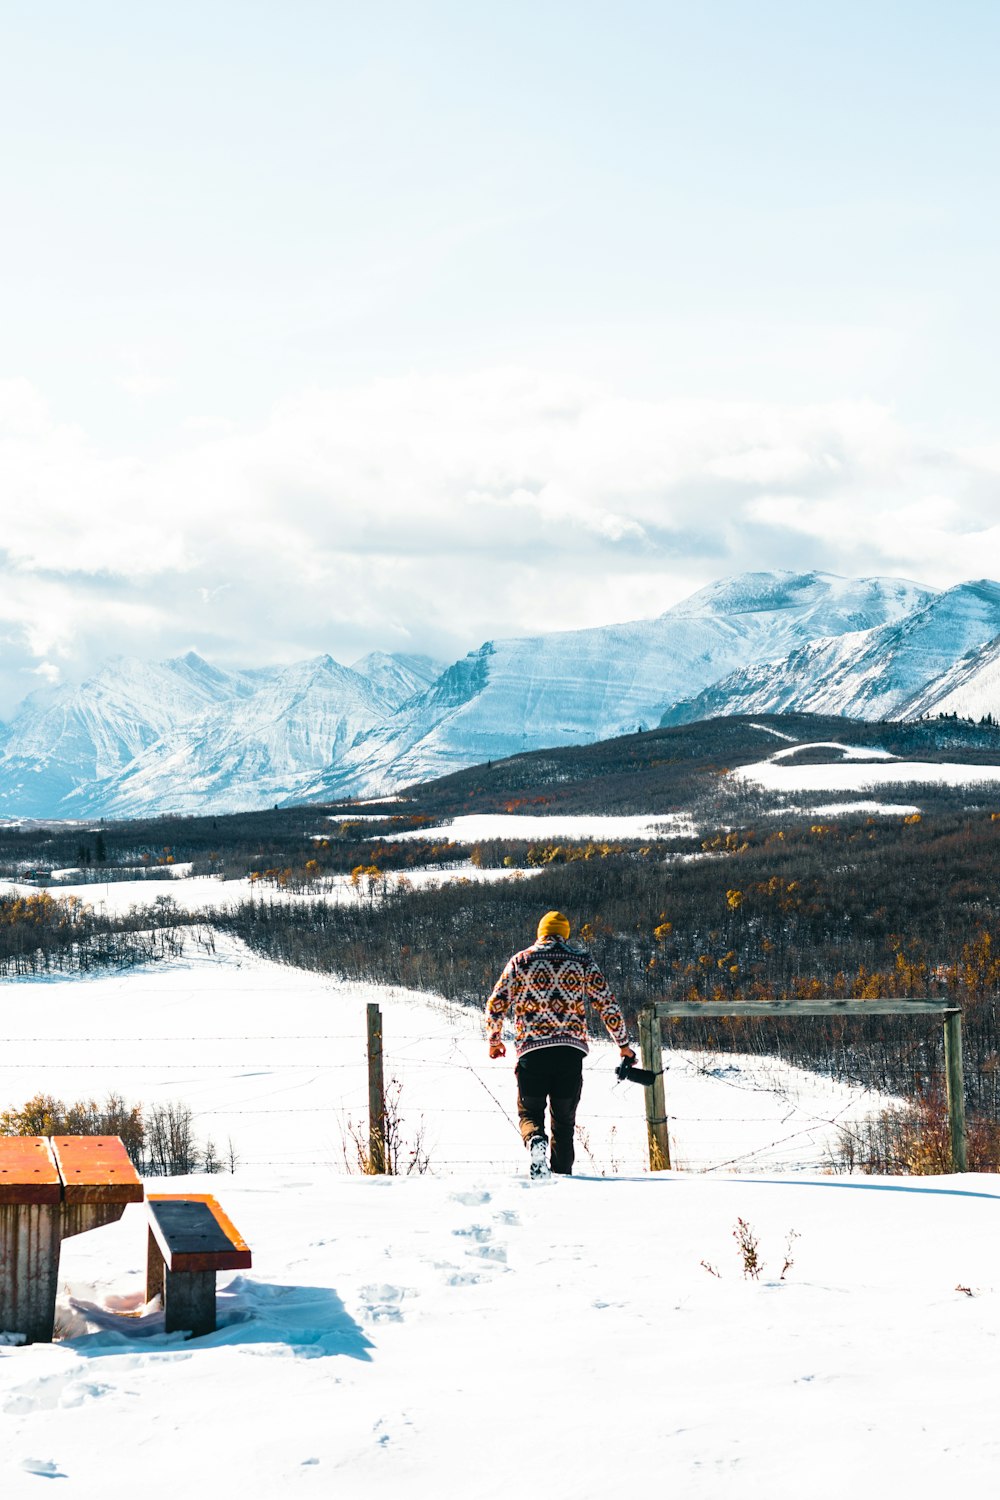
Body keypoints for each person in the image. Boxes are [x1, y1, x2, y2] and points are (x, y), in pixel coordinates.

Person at [486, 910, 636, 1176]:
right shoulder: (582, 961)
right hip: (570, 1054)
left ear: (540, 932)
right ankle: (563, 1181)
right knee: (564, 1124)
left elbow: (497, 1002)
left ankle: (534, 1140)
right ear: (565, 933)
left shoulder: (521, 961)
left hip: (532, 1054)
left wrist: (494, 1040)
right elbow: (606, 1003)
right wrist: (623, 1044)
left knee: (530, 1114)